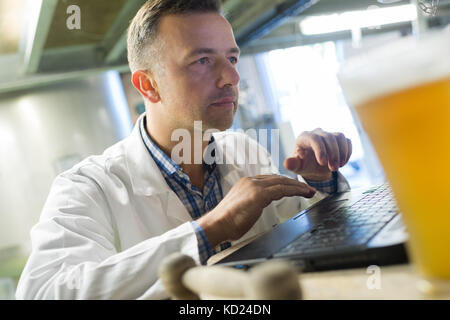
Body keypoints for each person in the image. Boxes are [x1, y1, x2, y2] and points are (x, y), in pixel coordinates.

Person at [16, 0, 352, 300]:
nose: (231, 77)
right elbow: (44, 292)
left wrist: (319, 180)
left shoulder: (244, 151)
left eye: (232, 57)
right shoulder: (88, 188)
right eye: (203, 60)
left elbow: (310, 239)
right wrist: (207, 231)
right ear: (148, 85)